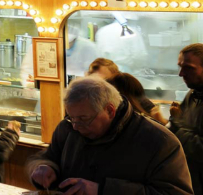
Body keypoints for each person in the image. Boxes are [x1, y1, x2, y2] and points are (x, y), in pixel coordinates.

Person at [29, 75, 191, 195]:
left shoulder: (159, 141)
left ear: (110, 110)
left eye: (84, 119)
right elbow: (48, 158)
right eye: (72, 117)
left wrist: (103, 190)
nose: (76, 127)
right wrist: (44, 168)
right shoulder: (68, 128)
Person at [170, 43, 203, 194]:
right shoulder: (193, 94)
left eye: (189, 68)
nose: (181, 73)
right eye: (180, 66)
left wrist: (176, 123)